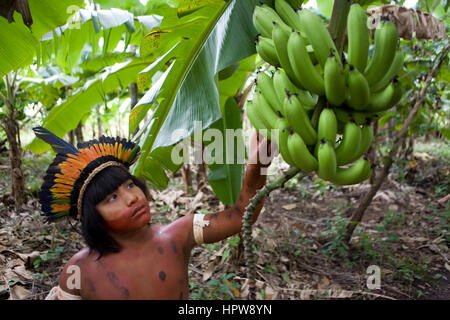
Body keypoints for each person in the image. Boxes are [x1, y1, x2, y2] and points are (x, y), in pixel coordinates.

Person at [33, 126, 274, 300]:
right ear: (91, 218)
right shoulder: (78, 270)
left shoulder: (179, 234)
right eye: (112, 198)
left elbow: (242, 215)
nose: (132, 197)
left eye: (129, 185)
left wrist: (255, 172)